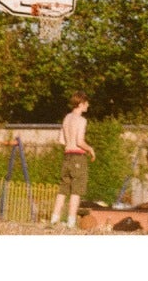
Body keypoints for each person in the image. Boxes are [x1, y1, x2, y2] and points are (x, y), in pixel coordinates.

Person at [51, 95, 96, 228]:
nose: (88, 105)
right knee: (76, 191)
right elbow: (79, 141)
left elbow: (61, 140)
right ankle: (71, 221)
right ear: (81, 103)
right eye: (87, 103)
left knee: (63, 189)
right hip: (78, 157)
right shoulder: (81, 120)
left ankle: (54, 218)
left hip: (67, 157)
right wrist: (91, 149)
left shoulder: (66, 118)